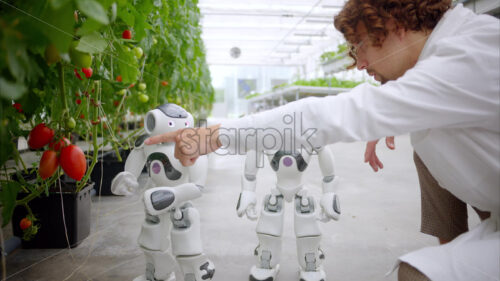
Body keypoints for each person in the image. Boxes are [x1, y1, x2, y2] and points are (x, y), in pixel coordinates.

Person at [144, 1, 500, 280]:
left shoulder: (467, 57)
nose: (358, 63)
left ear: (394, 25)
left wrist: (210, 136)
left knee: (418, 273)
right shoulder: (459, 46)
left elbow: (323, 117)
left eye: (359, 45)